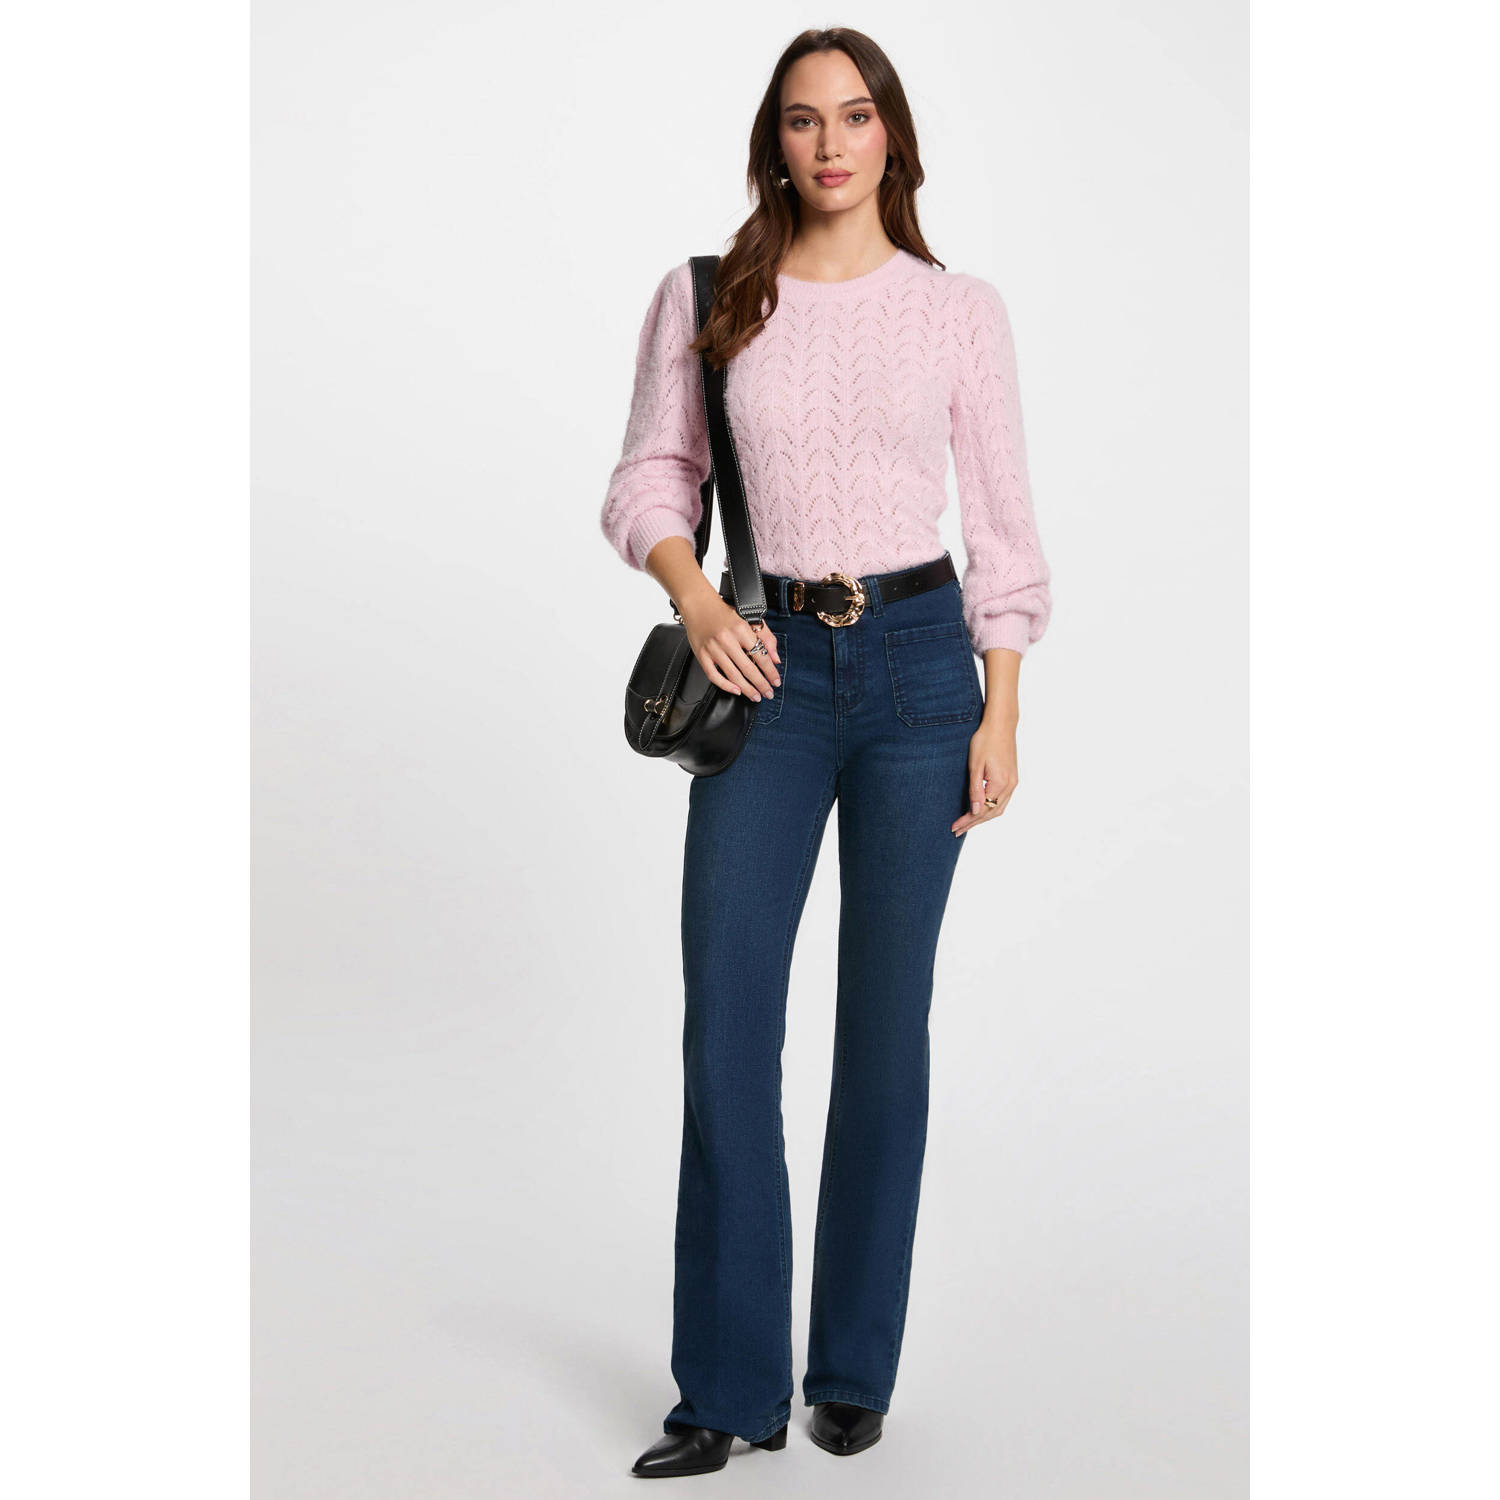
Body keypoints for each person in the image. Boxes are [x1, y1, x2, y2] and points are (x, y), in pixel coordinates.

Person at [600, 27, 1052, 1479]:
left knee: (884, 1028)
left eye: (856, 117)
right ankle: (727, 1389)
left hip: (921, 671)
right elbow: (649, 477)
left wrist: (1000, 707)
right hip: (767, 666)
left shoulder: (959, 310)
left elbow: (1003, 527)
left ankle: (852, 1366)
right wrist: (699, 597)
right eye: (804, 121)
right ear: (774, 144)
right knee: (729, 1024)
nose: (832, 143)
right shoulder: (711, 298)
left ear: (891, 136)